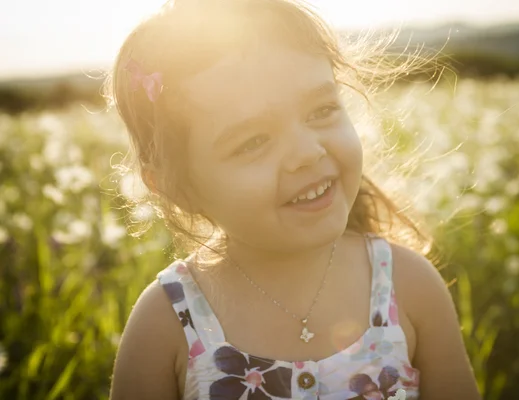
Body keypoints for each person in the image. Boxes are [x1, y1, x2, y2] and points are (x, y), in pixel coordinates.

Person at [107, 0, 481, 399]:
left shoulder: (408, 286)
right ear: (177, 187)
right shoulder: (167, 324)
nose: (308, 152)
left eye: (321, 110)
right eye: (253, 141)